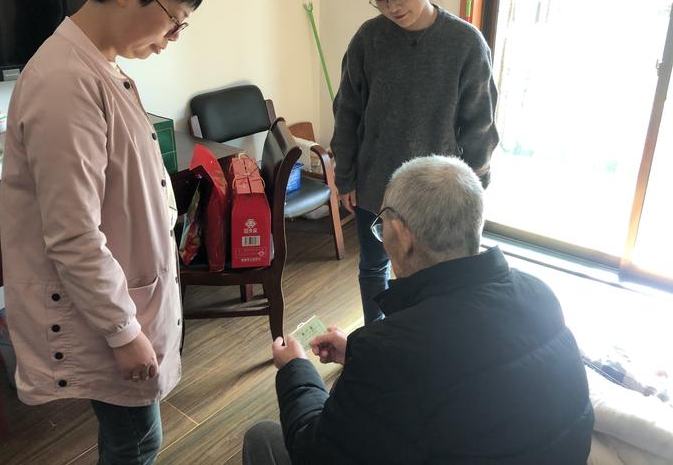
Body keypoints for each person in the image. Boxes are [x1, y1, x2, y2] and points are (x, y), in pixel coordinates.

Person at [0, 0, 206, 463]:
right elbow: (73, 234)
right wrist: (122, 332)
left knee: (136, 436)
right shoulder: (65, 81)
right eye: (173, 18)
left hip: (130, 296)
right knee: (136, 441)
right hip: (109, 313)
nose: (173, 35)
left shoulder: (98, 64)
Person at [243, 155, 594, 464]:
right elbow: (460, 386)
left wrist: (296, 370)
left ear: (402, 234)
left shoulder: (389, 349)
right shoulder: (540, 294)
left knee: (262, 438)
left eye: (382, 227)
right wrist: (357, 356)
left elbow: (316, 451)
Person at [330, 0, 500, 324]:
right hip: (376, 184)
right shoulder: (368, 40)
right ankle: (376, 342)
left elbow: (480, 123)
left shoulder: (465, 43)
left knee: (436, 278)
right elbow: (348, 113)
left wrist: (474, 187)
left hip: (437, 194)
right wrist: (345, 178)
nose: (391, 7)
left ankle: (427, 346)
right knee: (373, 268)